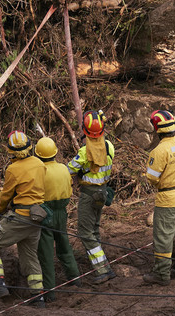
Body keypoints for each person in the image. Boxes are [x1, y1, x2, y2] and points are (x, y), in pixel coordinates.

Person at [0, 130, 46, 306]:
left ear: (10, 151)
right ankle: (38, 296)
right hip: (37, 218)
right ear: (30, 146)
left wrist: (0, 209)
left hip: (20, 217)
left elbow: (5, 196)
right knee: (30, 255)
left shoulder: (13, 169)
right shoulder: (40, 164)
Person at [142, 110, 175, 286]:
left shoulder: (159, 151)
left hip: (169, 199)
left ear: (157, 130)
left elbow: (151, 178)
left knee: (164, 238)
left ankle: (162, 275)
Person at [67, 110, 117, 283]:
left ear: (85, 131)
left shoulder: (84, 152)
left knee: (85, 232)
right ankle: (102, 263)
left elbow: (69, 170)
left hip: (88, 195)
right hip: (103, 192)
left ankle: (102, 269)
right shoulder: (110, 146)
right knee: (94, 229)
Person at [34, 136, 81, 301]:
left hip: (45, 213)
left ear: (38, 154)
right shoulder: (63, 168)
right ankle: (75, 279)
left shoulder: (39, 171)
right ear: (55, 152)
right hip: (62, 212)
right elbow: (70, 186)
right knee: (64, 246)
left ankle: (49, 292)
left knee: (46, 254)